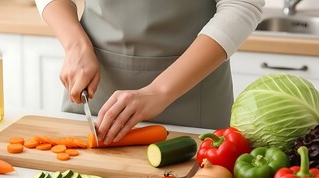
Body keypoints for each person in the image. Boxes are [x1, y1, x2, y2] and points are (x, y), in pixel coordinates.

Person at [34, 0, 265, 145]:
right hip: (95, 95)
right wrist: (75, 45)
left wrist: (159, 91)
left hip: (194, 105)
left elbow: (242, 5)